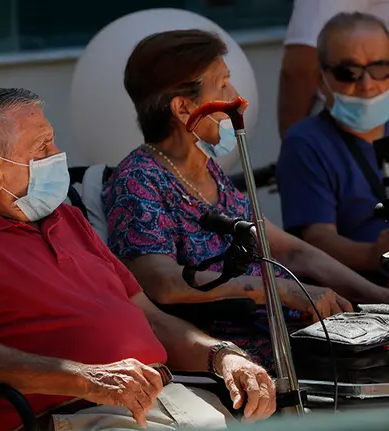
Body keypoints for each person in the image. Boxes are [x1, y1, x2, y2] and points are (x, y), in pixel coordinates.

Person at [0, 88, 277, 431]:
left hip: (172, 399)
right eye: (42, 147)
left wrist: (222, 356)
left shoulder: (68, 218)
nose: (57, 155)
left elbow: (151, 317)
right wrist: (89, 378)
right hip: (76, 415)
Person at [102, 29, 389, 374]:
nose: (237, 98)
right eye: (222, 86)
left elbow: (292, 251)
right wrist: (276, 290)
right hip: (239, 361)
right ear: (183, 107)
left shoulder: (210, 174)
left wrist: (378, 299)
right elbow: (161, 282)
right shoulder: (138, 178)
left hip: (291, 338)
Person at [277, 12, 389, 287]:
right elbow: (318, 239)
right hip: (363, 296)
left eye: (380, 68)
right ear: (320, 79)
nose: (367, 84)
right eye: (348, 73)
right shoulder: (305, 142)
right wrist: (375, 255)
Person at [277, 0, 389, 138]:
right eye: (350, 71)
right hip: (336, 133)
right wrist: (294, 146)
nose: (367, 84)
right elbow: (299, 70)